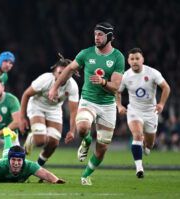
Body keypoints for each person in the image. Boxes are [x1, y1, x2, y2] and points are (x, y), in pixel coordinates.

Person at [48, 22, 125, 185]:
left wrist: (103, 82)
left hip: (107, 106)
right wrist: (55, 87)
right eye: (95, 34)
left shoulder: (118, 57)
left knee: (102, 148)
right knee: (82, 127)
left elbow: (116, 87)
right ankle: (86, 140)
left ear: (110, 37)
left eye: (100, 35)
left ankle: (86, 175)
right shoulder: (86, 53)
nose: (96, 37)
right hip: (88, 100)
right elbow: (69, 69)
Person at [116, 47, 170, 178]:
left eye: (137, 58)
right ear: (128, 61)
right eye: (132, 59)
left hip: (151, 112)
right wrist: (119, 106)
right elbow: (117, 91)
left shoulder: (152, 73)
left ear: (142, 60)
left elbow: (166, 87)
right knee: (137, 135)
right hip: (134, 110)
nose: (135, 61)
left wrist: (161, 104)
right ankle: (139, 169)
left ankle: (147, 145)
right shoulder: (126, 76)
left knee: (149, 144)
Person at [19, 53, 79, 167]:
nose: (63, 75)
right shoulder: (45, 79)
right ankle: (32, 137)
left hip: (54, 109)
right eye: (60, 72)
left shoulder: (72, 86)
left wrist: (72, 130)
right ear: (54, 72)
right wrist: (22, 118)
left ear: (71, 73)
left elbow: (73, 111)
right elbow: (26, 94)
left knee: (54, 142)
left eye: (66, 72)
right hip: (37, 106)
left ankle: (38, 167)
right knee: (40, 140)